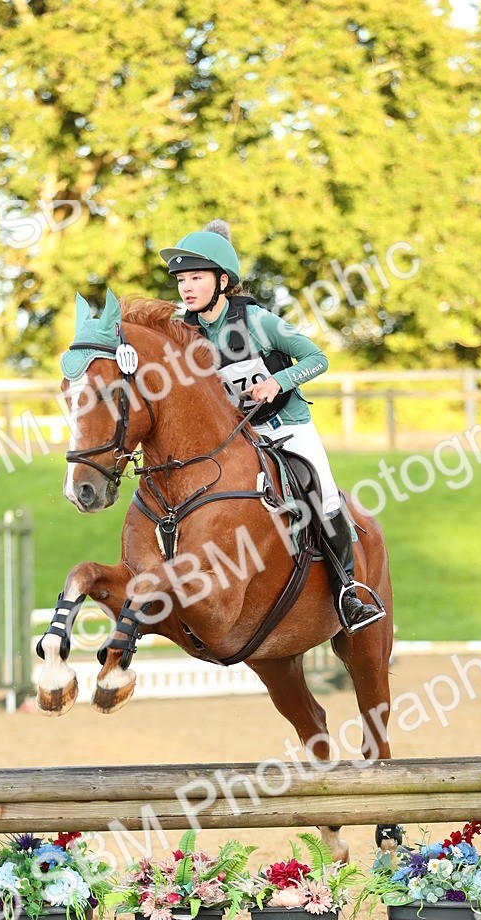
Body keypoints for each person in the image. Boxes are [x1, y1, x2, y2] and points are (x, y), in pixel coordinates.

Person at [159, 220, 384, 632]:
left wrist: (277, 382)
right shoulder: (183, 331)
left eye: (196, 278)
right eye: (181, 280)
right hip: (239, 437)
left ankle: (348, 592)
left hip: (286, 426)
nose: (186, 288)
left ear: (222, 281)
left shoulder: (257, 321)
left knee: (324, 496)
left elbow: (317, 358)